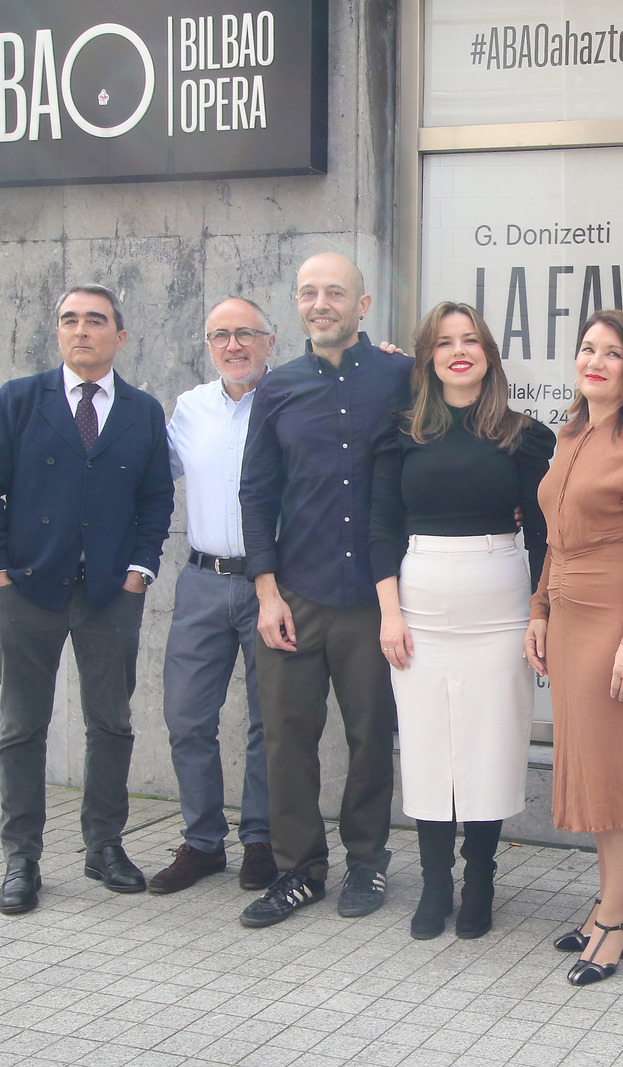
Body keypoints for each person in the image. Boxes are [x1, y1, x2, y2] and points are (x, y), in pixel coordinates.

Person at [0, 284, 174, 914]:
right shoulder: (20, 400)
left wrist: (140, 569)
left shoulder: (141, 410)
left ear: (120, 335)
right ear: (58, 332)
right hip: (27, 588)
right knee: (21, 726)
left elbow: (155, 499)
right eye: (69, 320)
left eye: (96, 320)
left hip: (111, 592)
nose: (82, 330)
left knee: (110, 721)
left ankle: (104, 845)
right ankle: (21, 858)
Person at [237, 252, 415, 927]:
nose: (321, 303)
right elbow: (257, 492)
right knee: (286, 735)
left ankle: (367, 859)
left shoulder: (402, 376)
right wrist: (266, 591)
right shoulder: (277, 388)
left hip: (374, 595)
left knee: (370, 734)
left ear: (362, 306)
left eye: (335, 292)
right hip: (297, 593)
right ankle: (299, 868)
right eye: (309, 293)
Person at [369, 302, 555, 941]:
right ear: (427, 356)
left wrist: (541, 612)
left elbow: (543, 533)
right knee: (426, 747)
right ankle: (435, 883)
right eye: (445, 342)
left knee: (490, 745)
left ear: (489, 354)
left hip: (500, 607)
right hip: (419, 605)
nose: (459, 351)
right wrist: (389, 613)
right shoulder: (400, 431)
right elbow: (381, 526)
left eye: (470, 340)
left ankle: (479, 881)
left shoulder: (523, 434)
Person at [523, 309, 623, 987]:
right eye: (587, 349)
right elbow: (556, 535)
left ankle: (616, 918)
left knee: (615, 776)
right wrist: (538, 610)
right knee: (592, 770)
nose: (594, 361)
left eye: (610, 353)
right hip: (568, 619)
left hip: (619, 627)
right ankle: (608, 901)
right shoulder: (572, 432)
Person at [148, 297, 279, 895]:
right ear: (208, 346)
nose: (233, 346)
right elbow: (144, 476)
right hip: (200, 580)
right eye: (220, 336)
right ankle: (203, 842)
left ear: (269, 342)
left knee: (267, 721)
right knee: (186, 716)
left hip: (272, 584)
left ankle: (260, 840)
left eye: (245, 334)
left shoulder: (290, 402)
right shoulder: (189, 409)